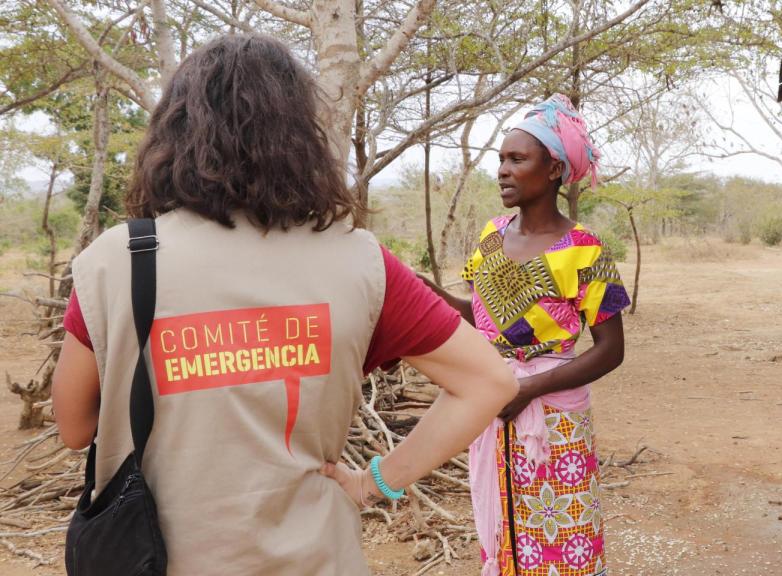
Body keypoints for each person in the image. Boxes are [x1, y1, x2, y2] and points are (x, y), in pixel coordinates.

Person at [51, 34, 517, 575]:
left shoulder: (121, 259)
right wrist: (374, 482)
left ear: (174, 132)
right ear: (300, 135)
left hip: (157, 559)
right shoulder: (358, 261)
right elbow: (490, 382)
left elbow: (75, 427)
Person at [422, 94, 629, 576]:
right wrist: (425, 293)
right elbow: (477, 317)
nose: (503, 171)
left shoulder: (585, 248)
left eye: (518, 159)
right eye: (500, 160)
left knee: (563, 532)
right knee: (505, 527)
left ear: (554, 168)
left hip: (554, 416)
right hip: (495, 399)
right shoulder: (492, 236)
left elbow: (612, 350)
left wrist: (529, 387)